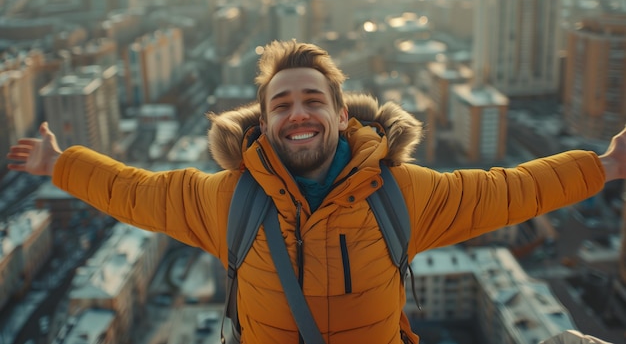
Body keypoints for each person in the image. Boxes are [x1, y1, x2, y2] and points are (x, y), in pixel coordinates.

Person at [6, 40, 626, 344]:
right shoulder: (230, 200)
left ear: (341, 115)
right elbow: (134, 191)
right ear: (264, 121)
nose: (297, 114)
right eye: (282, 104)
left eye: (312, 100)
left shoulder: (401, 194)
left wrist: (603, 166)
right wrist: (62, 163)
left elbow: (510, 190)